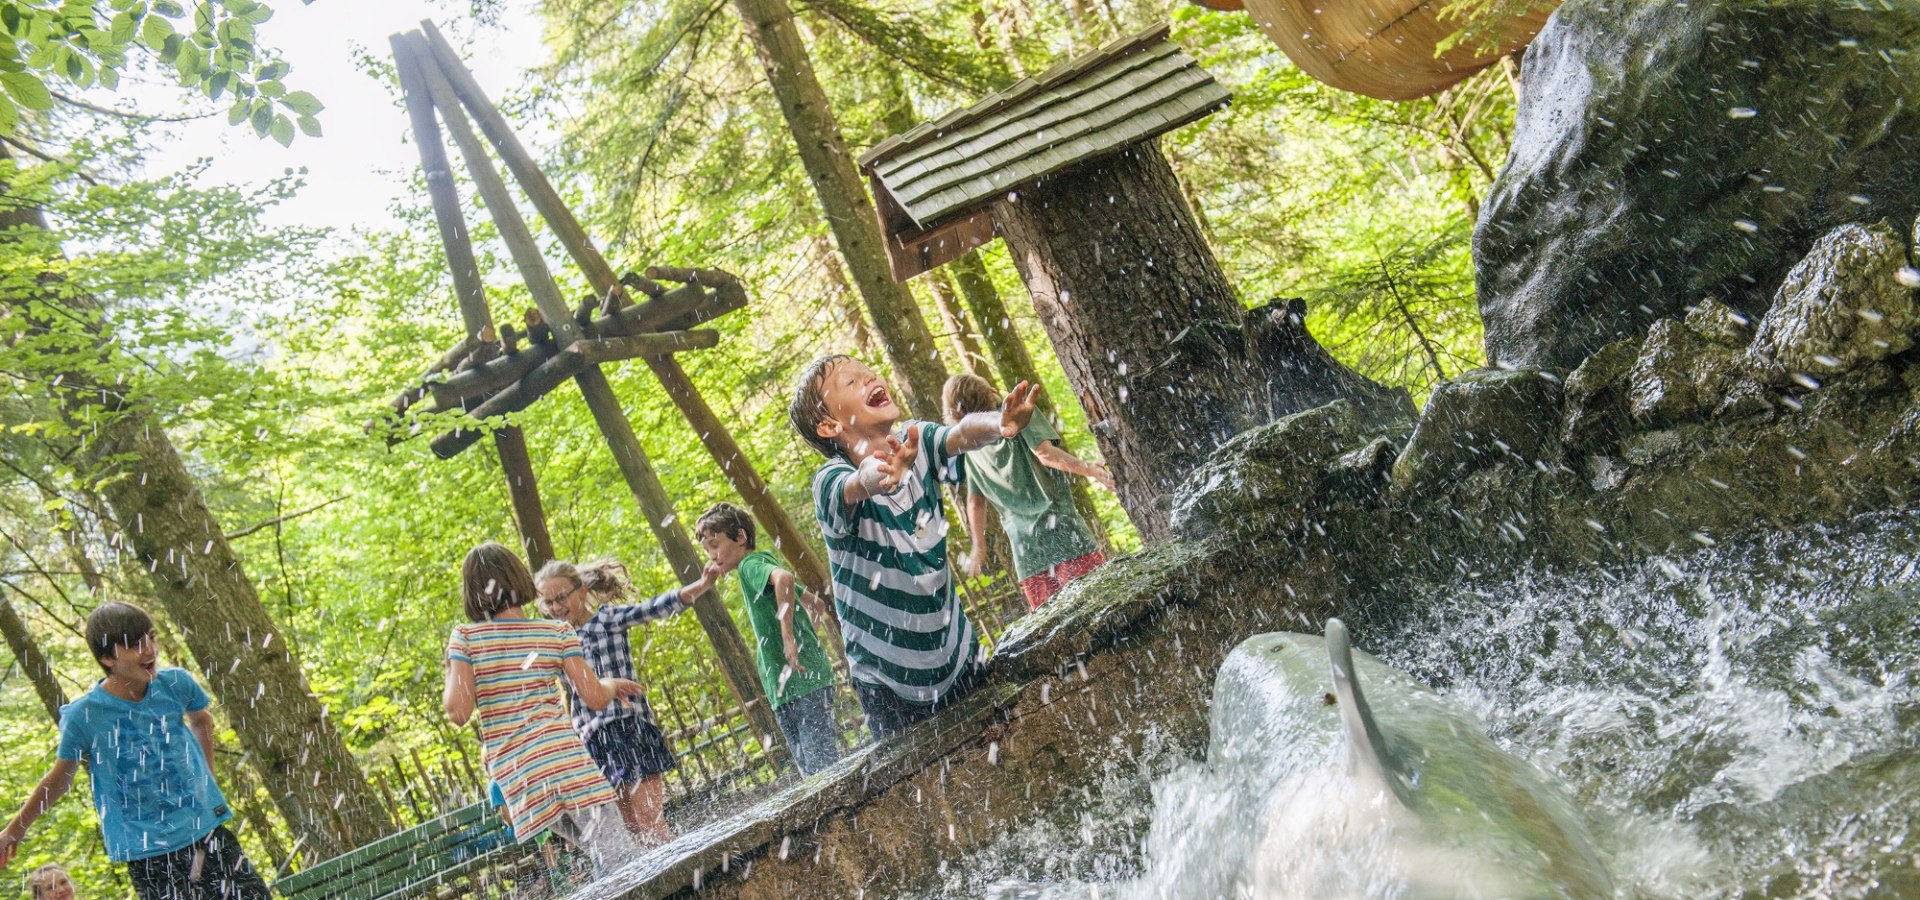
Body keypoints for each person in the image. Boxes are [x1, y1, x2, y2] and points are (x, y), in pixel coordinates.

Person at [788, 354, 1036, 738]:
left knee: (1008, 747)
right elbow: (862, 482)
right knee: (925, 791)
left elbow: (962, 433)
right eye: (851, 382)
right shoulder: (831, 480)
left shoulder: (916, 440)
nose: (870, 377)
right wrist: (884, 470)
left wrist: (999, 423)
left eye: (868, 371)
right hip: (887, 681)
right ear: (829, 425)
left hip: (956, 653)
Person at [0, 602, 271, 900]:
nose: (149, 650)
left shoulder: (175, 684)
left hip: (206, 831)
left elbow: (202, 721)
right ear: (107, 658)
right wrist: (15, 830)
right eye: (134, 645)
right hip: (149, 853)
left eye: (151, 638)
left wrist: (206, 781)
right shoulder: (85, 716)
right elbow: (60, 781)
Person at [443, 543, 644, 877]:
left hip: (522, 779)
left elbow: (458, 712)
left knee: (604, 861)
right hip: (566, 766)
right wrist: (611, 684)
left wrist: (453, 666)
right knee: (621, 859)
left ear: (473, 592)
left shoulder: (466, 639)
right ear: (520, 578)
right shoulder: (554, 631)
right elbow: (594, 697)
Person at [533, 557, 716, 844]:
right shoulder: (555, 642)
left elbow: (654, 607)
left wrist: (702, 585)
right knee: (631, 831)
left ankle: (695, 878)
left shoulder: (607, 620)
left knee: (651, 824)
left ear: (581, 591)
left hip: (629, 728)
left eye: (560, 598)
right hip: (594, 743)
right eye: (548, 603)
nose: (556, 608)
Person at [694, 503, 843, 774]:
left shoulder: (751, 564)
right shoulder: (755, 569)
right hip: (792, 687)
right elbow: (816, 605)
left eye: (715, 545)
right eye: (706, 550)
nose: (712, 556)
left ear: (740, 537)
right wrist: (805, 641)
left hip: (800, 686)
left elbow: (785, 579)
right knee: (815, 771)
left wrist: (789, 639)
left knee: (821, 773)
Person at [942, 373, 1113, 609]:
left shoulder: (972, 447)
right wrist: (1089, 469)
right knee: (1104, 607)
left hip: (1028, 558)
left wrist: (979, 547)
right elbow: (1046, 455)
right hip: (1065, 536)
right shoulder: (1021, 412)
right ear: (987, 391)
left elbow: (975, 502)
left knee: (1058, 635)